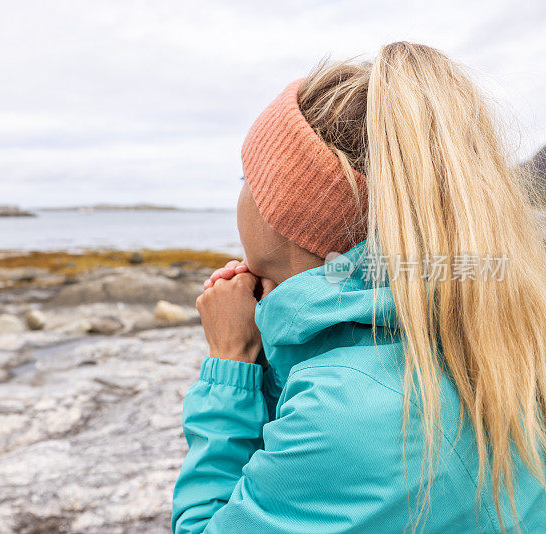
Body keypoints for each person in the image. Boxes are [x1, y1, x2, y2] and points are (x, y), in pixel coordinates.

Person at [171, 41, 546, 533]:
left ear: (288, 214)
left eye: (248, 175)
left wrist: (230, 366)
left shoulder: (346, 411)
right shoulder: (494, 320)